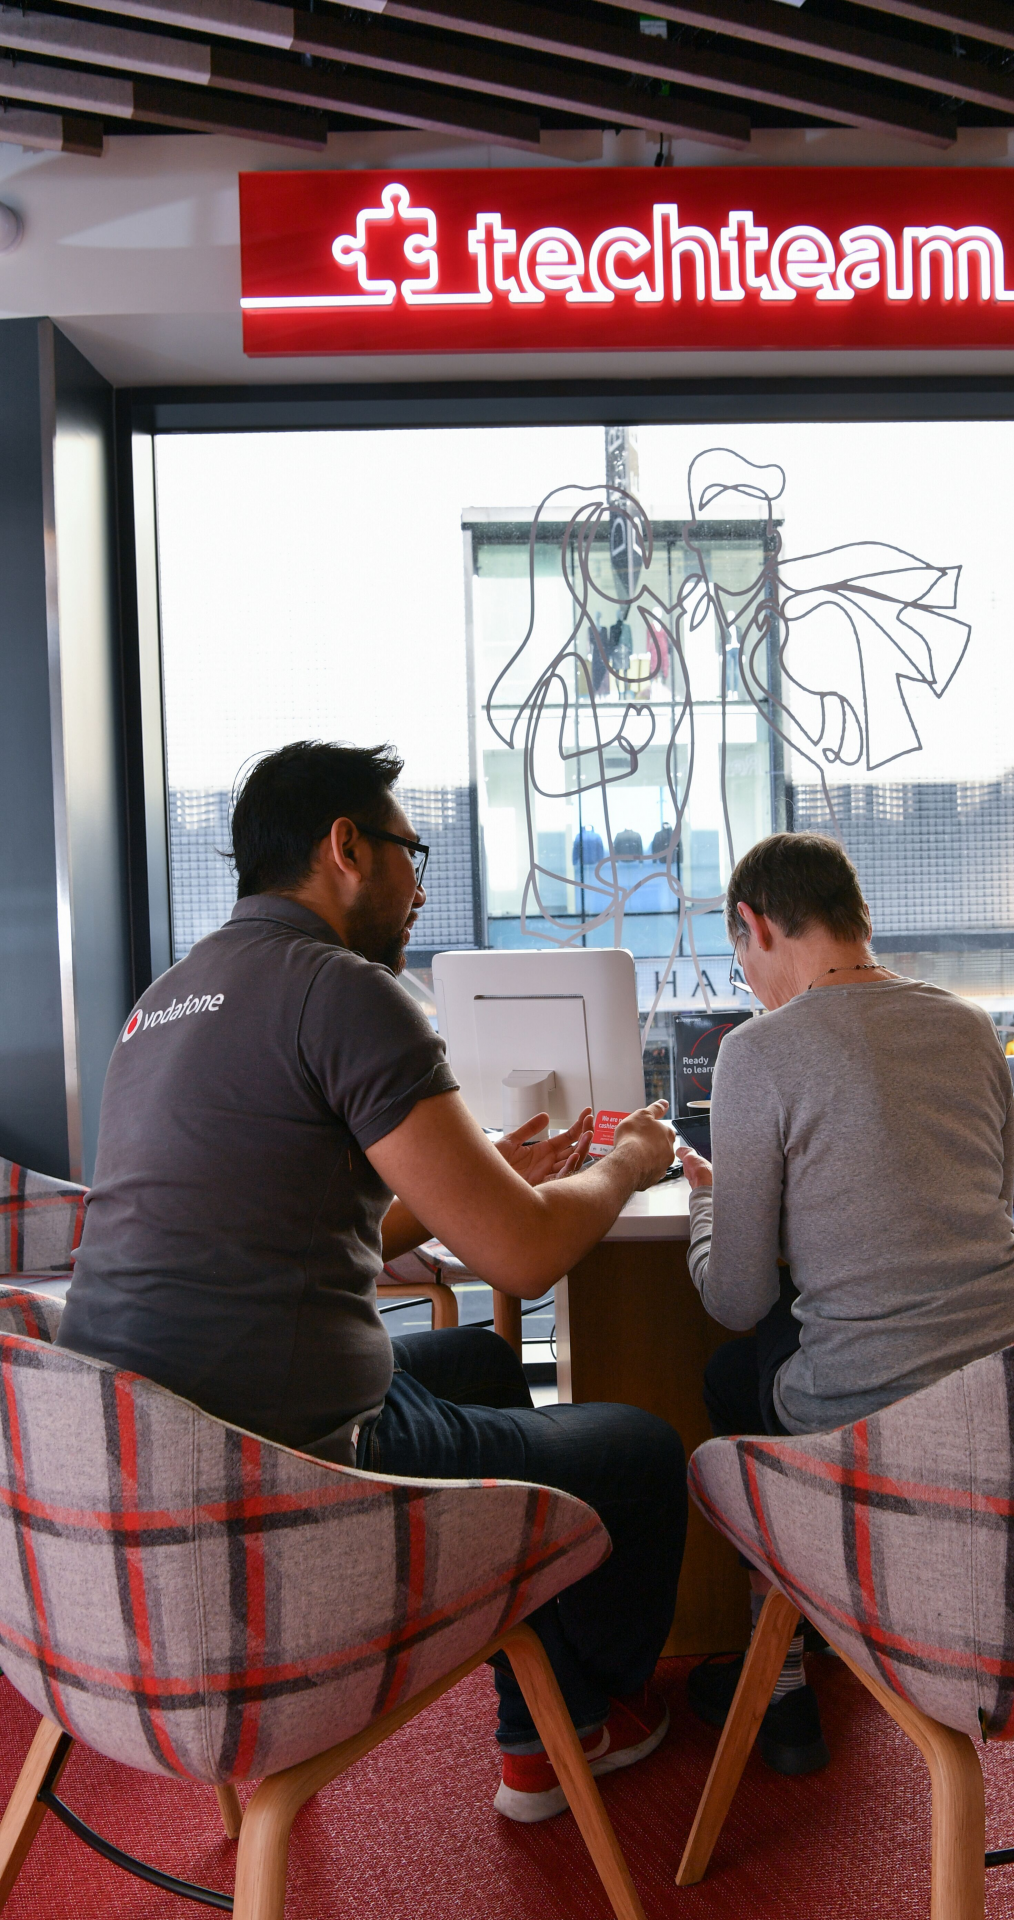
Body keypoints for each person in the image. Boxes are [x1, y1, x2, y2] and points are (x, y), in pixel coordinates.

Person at [58, 740, 686, 1826]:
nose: (421, 883)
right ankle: (568, 1725)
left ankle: (537, 1693)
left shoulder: (165, 1002)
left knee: (486, 1361)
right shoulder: (344, 991)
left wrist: (470, 1190)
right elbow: (525, 1258)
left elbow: (284, 1217)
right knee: (639, 1449)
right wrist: (626, 1160)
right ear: (345, 848)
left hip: (141, 1464)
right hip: (290, 1466)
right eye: (412, 850)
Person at [675, 831, 1014, 1775]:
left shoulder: (757, 1050)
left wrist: (708, 1203)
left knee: (739, 1366)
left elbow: (737, 1293)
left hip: (870, 1417)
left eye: (742, 959)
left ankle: (788, 1679)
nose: (750, 983)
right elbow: (975, 1206)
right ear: (857, 916)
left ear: (753, 925)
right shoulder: (968, 1024)